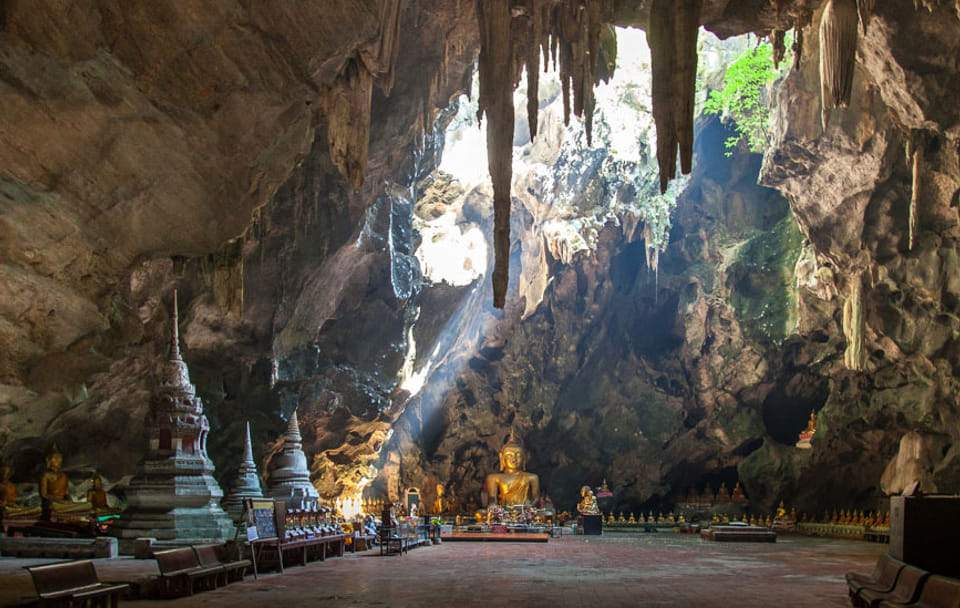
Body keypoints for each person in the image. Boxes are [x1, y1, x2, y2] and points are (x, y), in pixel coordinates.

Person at [483, 430, 540, 507]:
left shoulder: (532, 477)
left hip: (524, 511)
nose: (514, 459)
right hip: (504, 511)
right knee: (480, 513)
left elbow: (536, 498)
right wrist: (493, 505)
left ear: (524, 458)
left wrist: (529, 506)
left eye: (518, 455)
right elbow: (492, 498)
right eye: (509, 455)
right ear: (502, 458)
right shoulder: (494, 478)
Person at [39, 444, 91, 519]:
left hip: (63, 504)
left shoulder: (64, 476)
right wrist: (59, 501)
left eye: (59, 458)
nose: (58, 460)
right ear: (49, 460)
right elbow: (44, 495)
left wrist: (71, 502)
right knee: (51, 507)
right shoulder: (46, 475)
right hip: (52, 503)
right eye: (55, 458)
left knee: (86, 505)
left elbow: (66, 493)